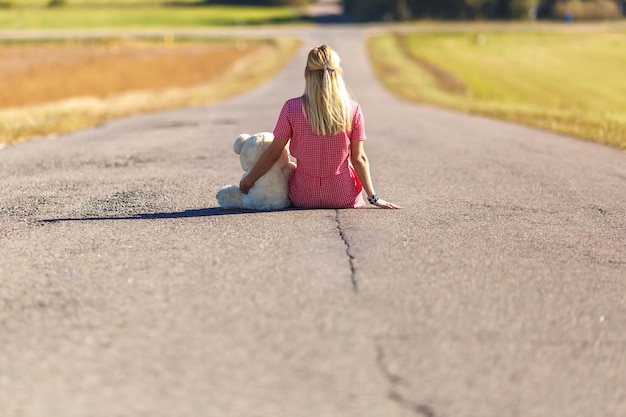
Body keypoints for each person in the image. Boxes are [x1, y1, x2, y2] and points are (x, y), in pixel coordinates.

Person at [239, 44, 400, 210]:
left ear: (307, 74)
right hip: (343, 196)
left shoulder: (291, 108)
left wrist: (248, 181)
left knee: (289, 168)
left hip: (303, 197)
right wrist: (374, 198)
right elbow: (359, 158)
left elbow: (274, 152)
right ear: (337, 73)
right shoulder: (353, 109)